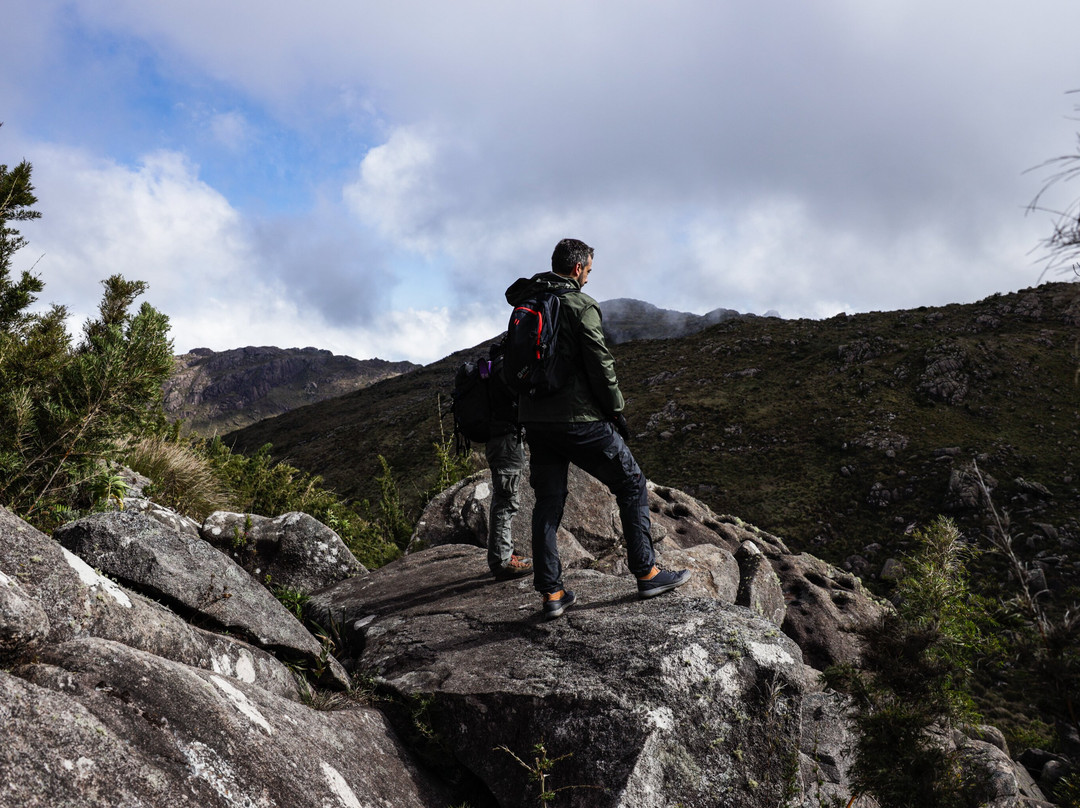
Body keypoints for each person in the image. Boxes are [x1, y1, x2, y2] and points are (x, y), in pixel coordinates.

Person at [504, 238, 691, 620]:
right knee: (631, 483)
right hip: (579, 421)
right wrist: (616, 410)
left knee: (548, 503)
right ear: (577, 269)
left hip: (535, 421)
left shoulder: (529, 300)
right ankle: (648, 572)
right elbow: (599, 362)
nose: (589, 277)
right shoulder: (579, 304)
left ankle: (552, 595)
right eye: (588, 270)